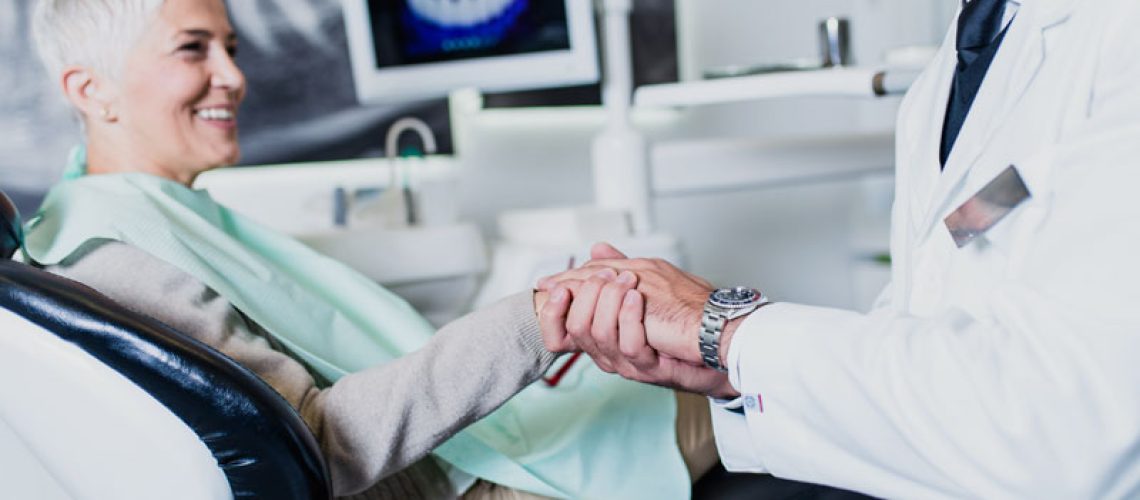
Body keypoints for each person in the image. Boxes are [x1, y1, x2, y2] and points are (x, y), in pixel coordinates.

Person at [23, 0, 716, 498]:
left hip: (452, 461)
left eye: (230, 47)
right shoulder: (118, 255)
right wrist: (538, 320)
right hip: (463, 484)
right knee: (725, 363)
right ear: (91, 90)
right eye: (193, 47)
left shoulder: (114, 219)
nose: (234, 76)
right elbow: (314, 446)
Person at [538, 0, 1140, 497]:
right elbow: (916, 324)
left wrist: (731, 330)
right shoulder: (952, 70)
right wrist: (728, 373)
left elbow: (1066, 428)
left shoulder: (1116, 35)